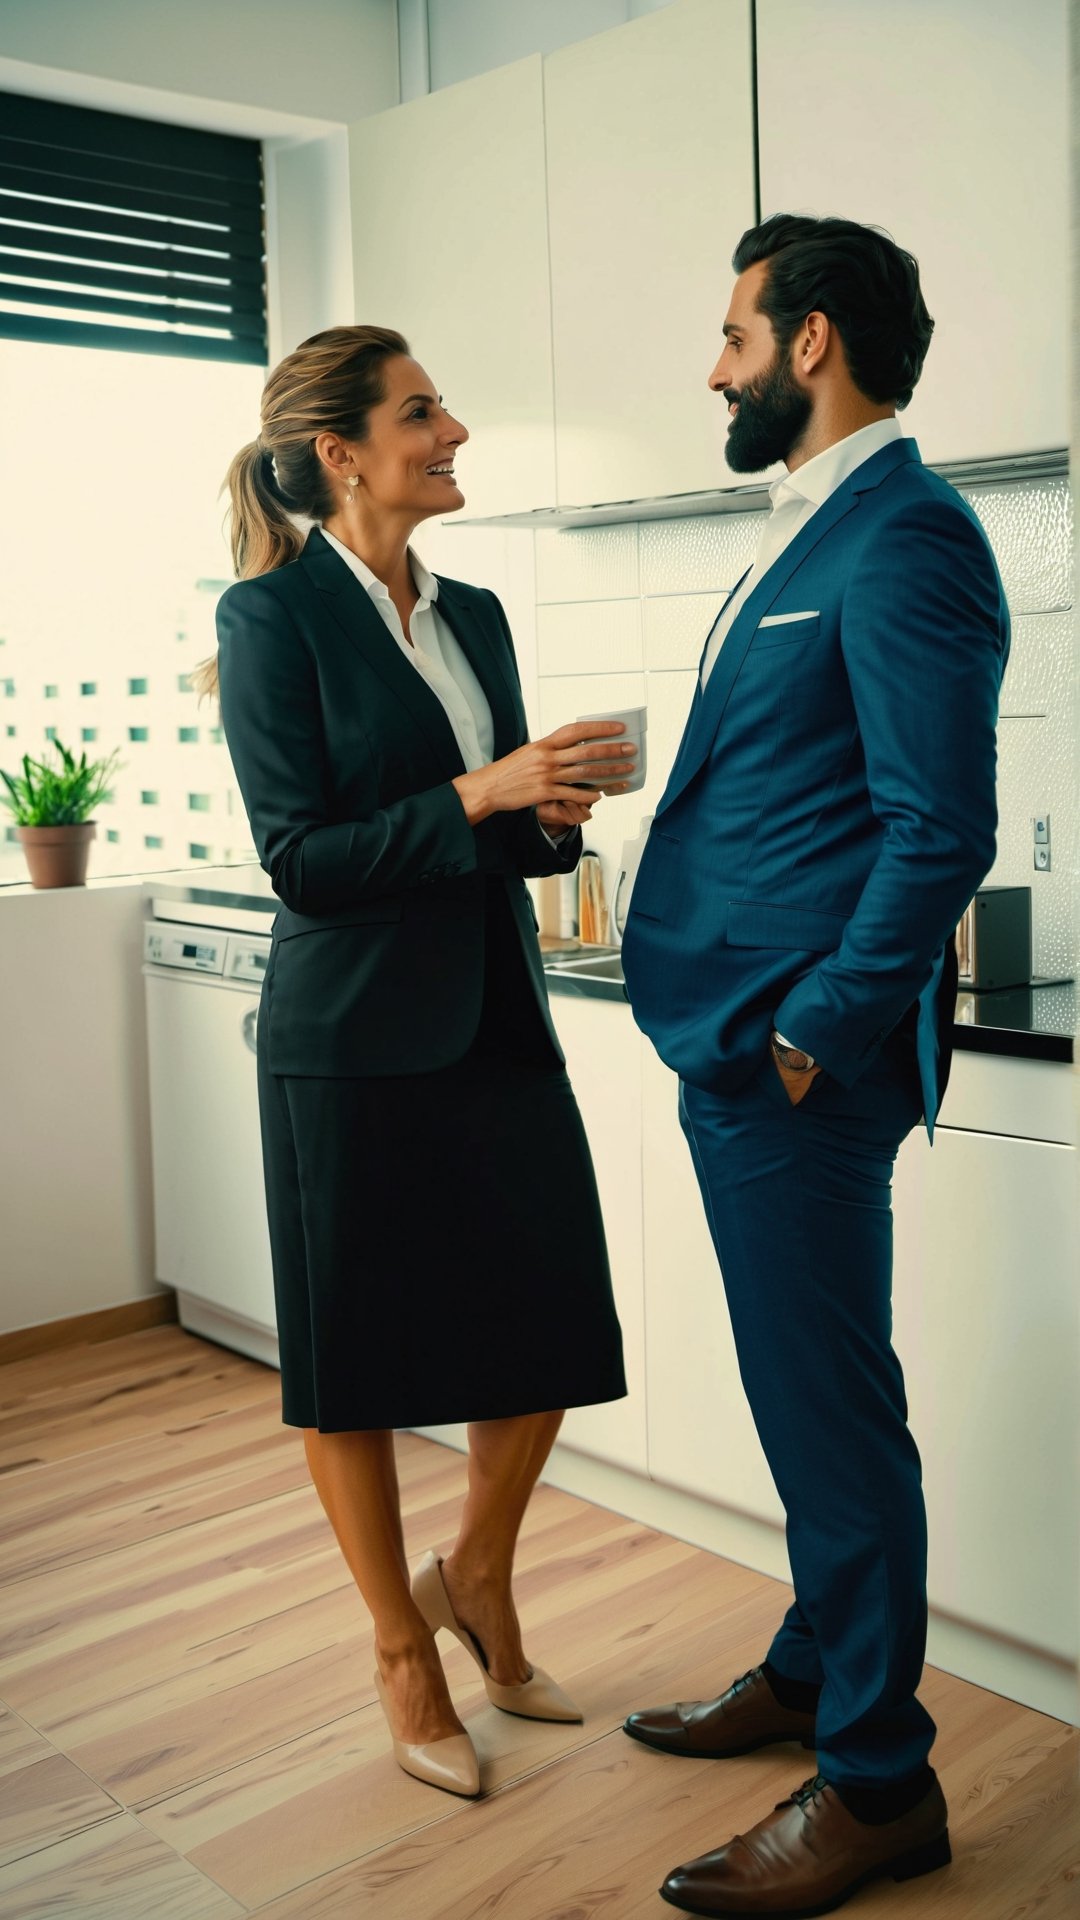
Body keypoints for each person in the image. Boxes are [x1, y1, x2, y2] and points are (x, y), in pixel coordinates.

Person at [619, 216, 1009, 1915]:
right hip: (743, 1047)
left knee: (834, 1424)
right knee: (804, 1400)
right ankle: (804, 1671)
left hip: (795, 1066)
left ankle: (876, 1783)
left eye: (732, 335)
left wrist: (804, 1033)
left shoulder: (908, 538)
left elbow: (942, 836)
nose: (715, 367)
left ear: (814, 341)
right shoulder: (816, 531)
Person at [206, 325, 632, 1800]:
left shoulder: (483, 615)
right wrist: (479, 789)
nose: (454, 431)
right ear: (343, 453)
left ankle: (482, 1577)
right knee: (361, 1367)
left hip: (495, 1016)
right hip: (349, 1042)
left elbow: (497, 839)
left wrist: (552, 811)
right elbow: (302, 862)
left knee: (555, 1323)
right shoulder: (271, 621)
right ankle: (403, 1646)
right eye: (423, 411)